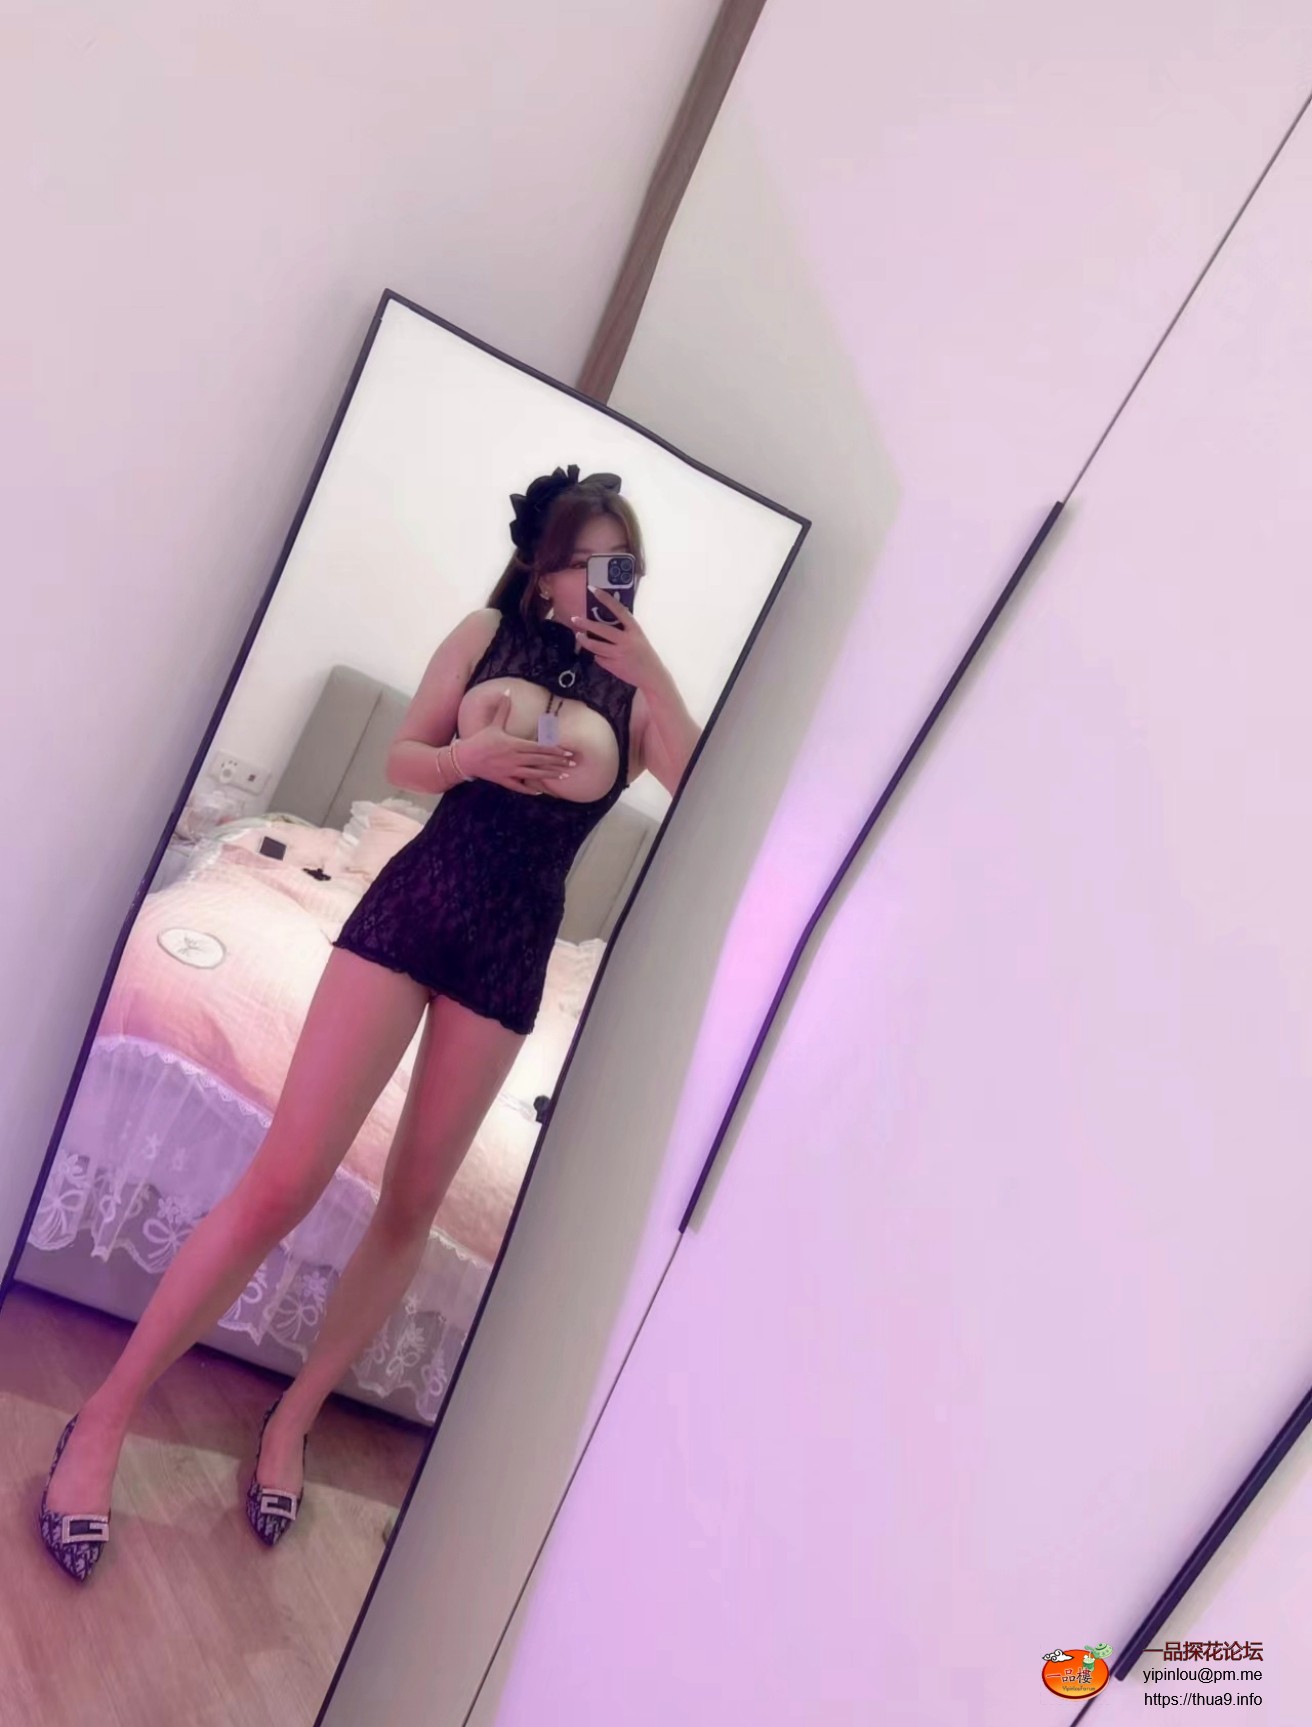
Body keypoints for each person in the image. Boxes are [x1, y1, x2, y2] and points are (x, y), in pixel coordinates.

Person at [39, 465, 702, 1580]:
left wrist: (654, 671)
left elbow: (703, 790)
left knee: (412, 1203)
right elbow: (404, 757)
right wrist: (466, 759)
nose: (593, 581)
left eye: (614, 563)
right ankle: (103, 1416)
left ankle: (293, 1417)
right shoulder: (485, 633)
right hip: (416, 901)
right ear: (540, 568)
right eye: (575, 560)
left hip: (511, 950)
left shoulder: (640, 700)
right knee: (286, 1176)